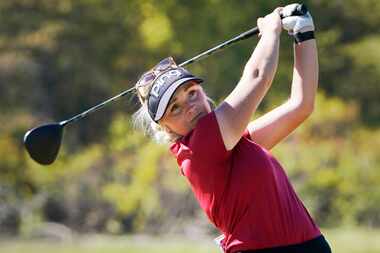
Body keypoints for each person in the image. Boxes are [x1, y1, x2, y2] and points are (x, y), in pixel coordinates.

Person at [133, 4, 331, 253]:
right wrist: (270, 30)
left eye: (192, 93)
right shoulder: (200, 147)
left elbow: (301, 105)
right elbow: (258, 77)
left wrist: (304, 34)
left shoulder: (234, 142)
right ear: (163, 126)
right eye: (175, 108)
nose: (190, 107)